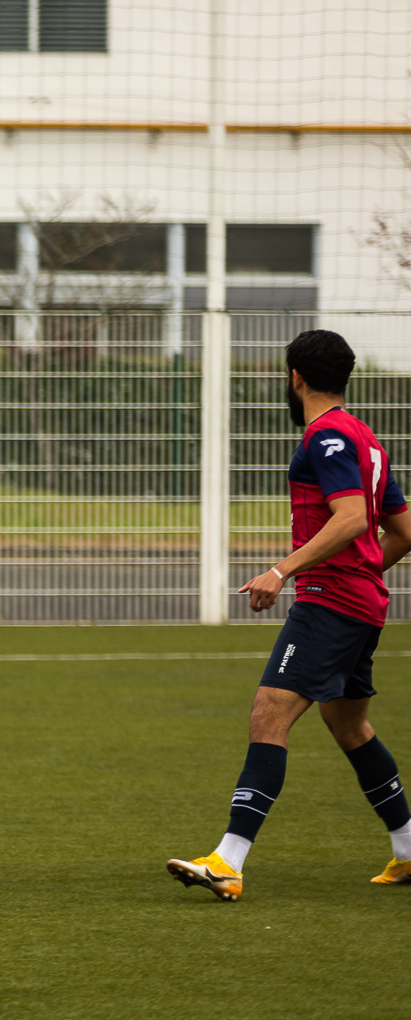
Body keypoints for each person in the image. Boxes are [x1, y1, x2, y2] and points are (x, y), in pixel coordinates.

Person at [168, 329, 411, 901]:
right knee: (349, 725)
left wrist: (283, 571)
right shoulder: (366, 440)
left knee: (268, 715)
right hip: (361, 605)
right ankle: (407, 848)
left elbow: (351, 518)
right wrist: (368, 573)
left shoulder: (325, 436)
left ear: (294, 377)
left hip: (329, 603)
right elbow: (401, 532)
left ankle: (228, 861)